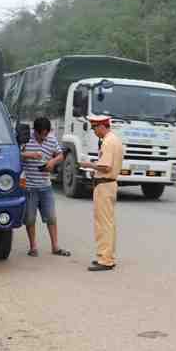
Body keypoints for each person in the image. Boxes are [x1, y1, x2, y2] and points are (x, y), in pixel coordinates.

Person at [79, 115, 124, 271]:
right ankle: (107, 256)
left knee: (103, 224)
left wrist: (89, 165)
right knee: (108, 223)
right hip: (109, 184)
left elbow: (105, 167)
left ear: (101, 126)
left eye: (94, 128)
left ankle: (105, 259)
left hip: (104, 185)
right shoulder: (115, 140)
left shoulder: (108, 142)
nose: (94, 131)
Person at [20, 117, 71, 257]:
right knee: (30, 219)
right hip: (29, 187)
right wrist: (29, 155)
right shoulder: (25, 139)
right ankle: (33, 247)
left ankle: (55, 247)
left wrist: (52, 162)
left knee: (51, 217)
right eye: (40, 135)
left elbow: (60, 155)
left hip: (46, 186)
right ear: (34, 131)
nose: (43, 137)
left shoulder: (51, 139)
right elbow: (15, 155)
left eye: (45, 134)